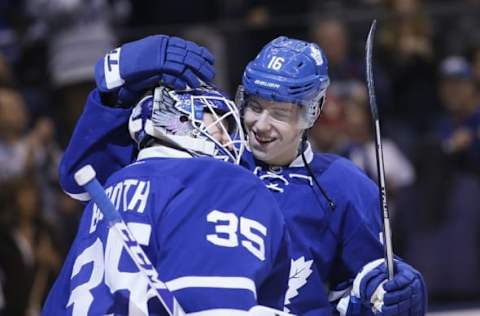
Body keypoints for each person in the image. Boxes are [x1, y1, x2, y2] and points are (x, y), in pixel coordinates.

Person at [57, 35, 427, 315]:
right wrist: (115, 85)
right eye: (253, 106)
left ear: (311, 112)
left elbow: (364, 292)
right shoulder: (206, 156)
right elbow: (84, 179)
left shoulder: (345, 186)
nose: (260, 125)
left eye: (279, 113)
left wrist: (387, 297)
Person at [43, 83, 291, 315]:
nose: (227, 139)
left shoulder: (107, 191)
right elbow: (213, 304)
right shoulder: (220, 179)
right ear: (179, 118)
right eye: (218, 122)